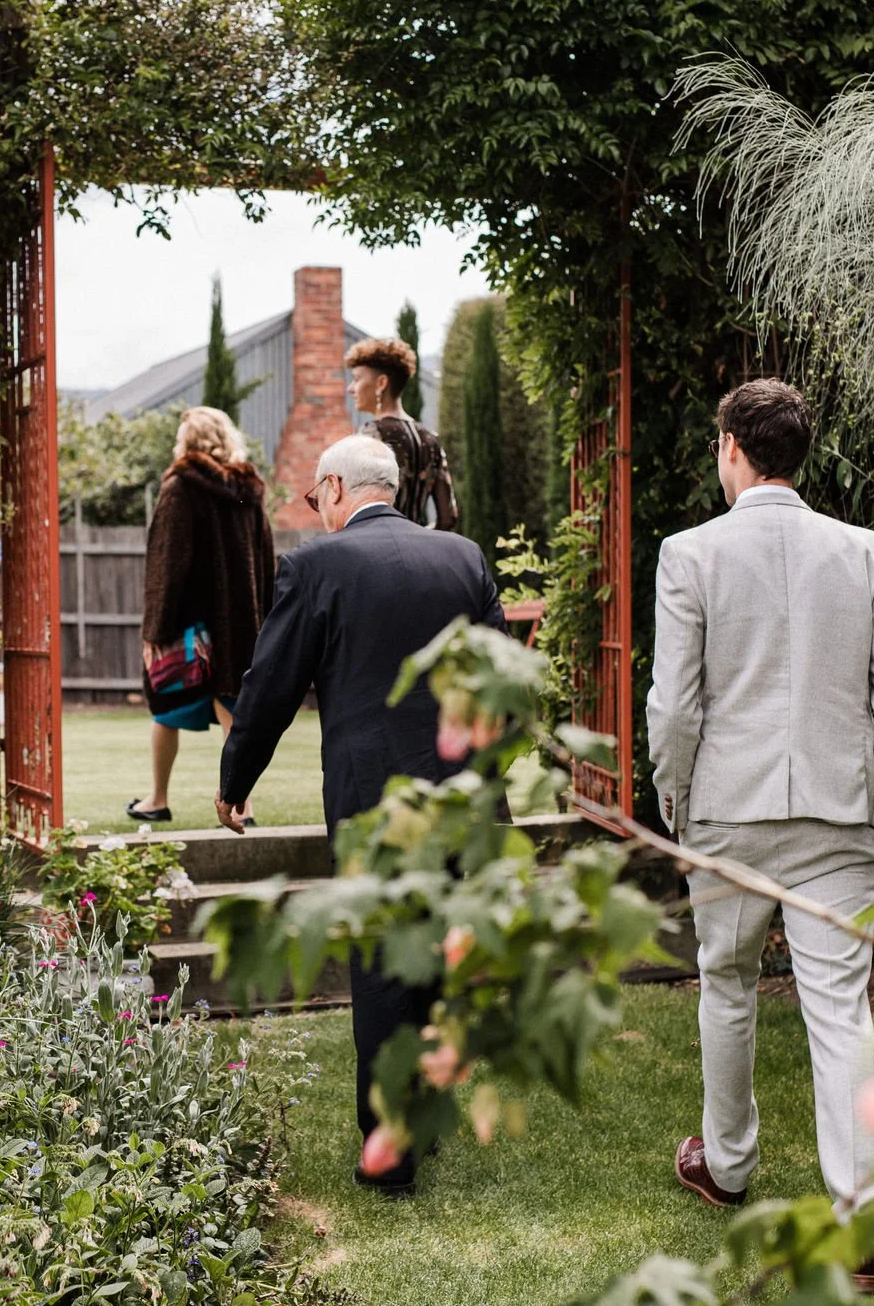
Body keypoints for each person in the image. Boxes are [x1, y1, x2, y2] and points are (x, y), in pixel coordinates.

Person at [645, 379, 874, 1292]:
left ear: (731, 446)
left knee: (725, 983)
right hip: (839, 814)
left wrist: (674, 797)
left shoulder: (688, 554)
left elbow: (676, 707)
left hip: (728, 810)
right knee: (840, 1007)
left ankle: (726, 1166)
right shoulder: (868, 551)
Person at [215, 433, 503, 1197]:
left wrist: (236, 776)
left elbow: (271, 679)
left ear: (337, 487)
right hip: (453, 793)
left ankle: (391, 1150)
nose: (319, 510)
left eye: (316, 497)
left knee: (380, 961)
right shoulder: (464, 557)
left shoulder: (317, 565)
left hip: (371, 796)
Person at [128, 407, 275, 824]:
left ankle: (157, 800)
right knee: (233, 712)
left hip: (189, 622)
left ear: (186, 440)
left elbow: (167, 560)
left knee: (165, 711)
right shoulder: (249, 489)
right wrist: (262, 617)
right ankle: (242, 808)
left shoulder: (180, 486)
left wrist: (157, 627)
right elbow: (265, 559)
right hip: (239, 624)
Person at [346, 336, 459, 532]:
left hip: (378, 551)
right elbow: (448, 517)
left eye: (356, 379)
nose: (350, 389)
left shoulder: (371, 434)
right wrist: (419, 537)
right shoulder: (431, 439)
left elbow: (353, 505)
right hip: (420, 554)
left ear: (381, 383)